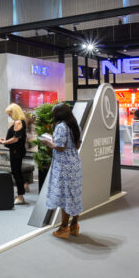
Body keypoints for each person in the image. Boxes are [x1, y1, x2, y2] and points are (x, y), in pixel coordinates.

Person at [41, 102, 83, 239]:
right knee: (74, 195)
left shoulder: (61, 126)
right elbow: (77, 145)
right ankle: (74, 226)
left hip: (63, 165)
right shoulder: (75, 126)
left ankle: (64, 228)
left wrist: (47, 142)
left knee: (65, 196)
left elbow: (60, 147)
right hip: (75, 164)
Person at [0, 103, 27, 205]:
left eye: (10, 113)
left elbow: (15, 139)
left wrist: (4, 142)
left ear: (14, 113)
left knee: (16, 173)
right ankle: (21, 193)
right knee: (16, 172)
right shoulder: (20, 122)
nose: (9, 115)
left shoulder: (18, 122)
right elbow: (15, 137)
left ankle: (20, 196)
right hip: (17, 151)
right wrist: (5, 140)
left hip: (16, 151)